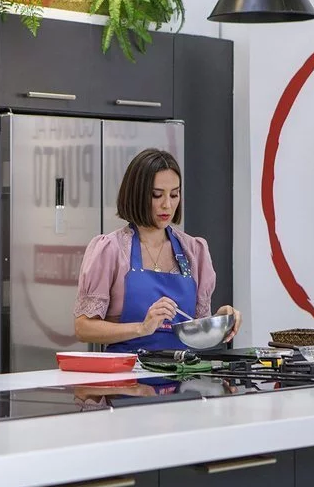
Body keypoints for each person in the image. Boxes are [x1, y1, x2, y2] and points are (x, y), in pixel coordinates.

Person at [73, 148, 242, 353]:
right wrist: (142, 328)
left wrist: (219, 320)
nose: (167, 205)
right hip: (128, 370)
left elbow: (197, 325)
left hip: (183, 370)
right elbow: (83, 328)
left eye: (174, 194)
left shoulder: (194, 251)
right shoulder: (111, 250)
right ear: (136, 195)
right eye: (157, 195)